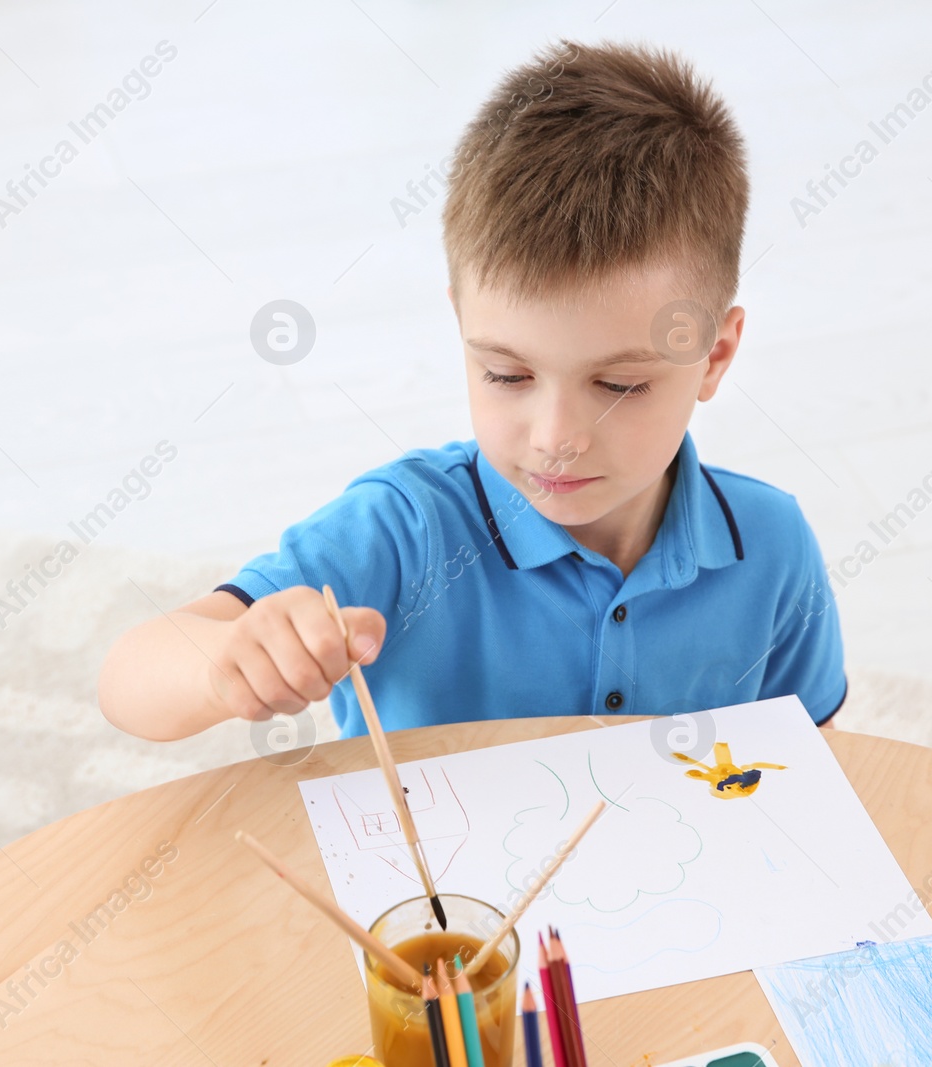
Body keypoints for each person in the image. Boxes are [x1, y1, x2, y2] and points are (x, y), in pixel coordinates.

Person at [99, 39, 845, 742]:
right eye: (507, 374)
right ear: (462, 321)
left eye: (619, 384)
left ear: (714, 356)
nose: (556, 435)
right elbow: (129, 678)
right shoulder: (407, 528)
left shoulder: (772, 547)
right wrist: (229, 661)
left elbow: (818, 773)